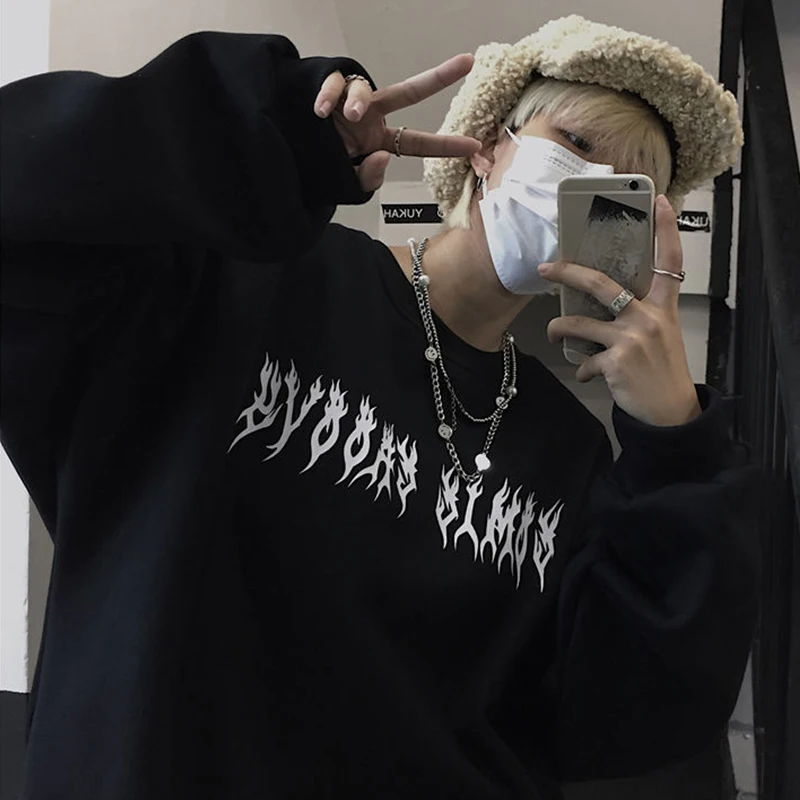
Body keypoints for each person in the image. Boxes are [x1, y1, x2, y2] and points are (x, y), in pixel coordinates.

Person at [1, 14, 760, 800]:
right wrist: (274, 135)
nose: (586, 184)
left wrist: (676, 446)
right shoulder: (250, 282)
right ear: (488, 147)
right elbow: (27, 198)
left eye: (625, 188)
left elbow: (633, 712)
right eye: (574, 142)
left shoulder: (568, 451)